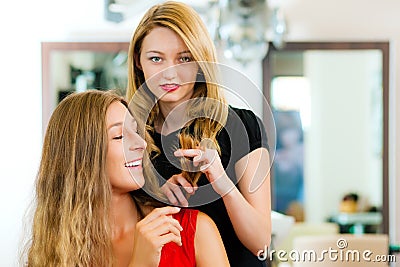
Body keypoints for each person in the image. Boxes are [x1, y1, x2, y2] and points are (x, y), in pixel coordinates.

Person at [126, 1, 272, 266]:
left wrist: (222, 183)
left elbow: (261, 243)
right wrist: (154, 198)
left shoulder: (244, 127)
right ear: (138, 61)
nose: (170, 73)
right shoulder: (129, 136)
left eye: (184, 58)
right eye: (156, 58)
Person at [24, 90, 229, 267]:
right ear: (81, 156)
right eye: (120, 136)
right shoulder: (55, 249)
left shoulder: (192, 232)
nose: (141, 143)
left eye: (136, 131)